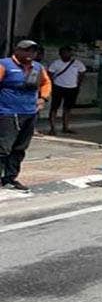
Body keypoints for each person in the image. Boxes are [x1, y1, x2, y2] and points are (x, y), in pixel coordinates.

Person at [0, 40, 52, 191]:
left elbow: (46, 83)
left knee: (20, 148)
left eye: (33, 51)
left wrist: (43, 98)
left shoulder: (37, 67)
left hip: (29, 113)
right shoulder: (5, 65)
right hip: (7, 113)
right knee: (3, 148)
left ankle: (10, 178)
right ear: (17, 50)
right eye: (26, 50)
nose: (30, 54)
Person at [46, 46, 86, 135]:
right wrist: (52, 85)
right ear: (60, 54)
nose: (66, 55)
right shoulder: (56, 63)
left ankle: (66, 127)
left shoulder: (77, 63)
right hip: (58, 87)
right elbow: (49, 74)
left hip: (72, 87)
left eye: (68, 53)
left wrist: (78, 84)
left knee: (68, 108)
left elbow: (82, 72)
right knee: (54, 108)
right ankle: (52, 128)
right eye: (64, 53)